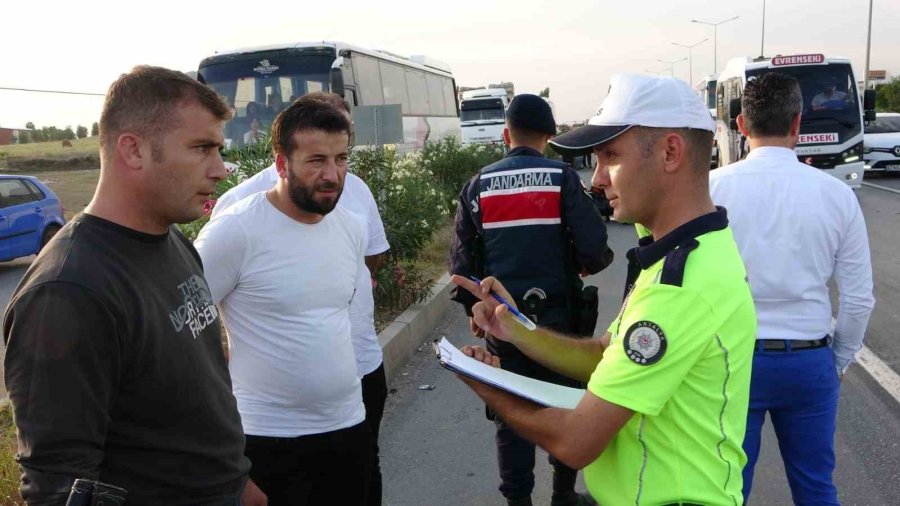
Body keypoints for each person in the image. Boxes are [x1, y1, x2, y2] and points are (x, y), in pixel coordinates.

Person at [452, 73, 757, 506]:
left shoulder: (681, 285)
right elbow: (603, 356)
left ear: (670, 152)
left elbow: (577, 442)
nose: (597, 179)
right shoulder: (680, 254)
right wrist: (514, 328)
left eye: (611, 156)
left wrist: (488, 383)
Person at [2, 65, 260, 505]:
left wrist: (238, 483)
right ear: (133, 150)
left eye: (218, 149)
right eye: (202, 148)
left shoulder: (174, 240)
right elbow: (59, 486)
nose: (220, 169)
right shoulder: (67, 291)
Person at [213, 91, 391, 506]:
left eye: (341, 159)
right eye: (316, 161)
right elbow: (184, 334)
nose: (333, 174)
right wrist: (225, 459)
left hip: (348, 426)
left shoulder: (349, 226)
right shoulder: (234, 231)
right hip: (266, 439)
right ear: (281, 163)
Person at [709, 73, 875, 505]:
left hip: (732, 360)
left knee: (726, 487)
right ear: (798, 123)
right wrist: (835, 360)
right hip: (808, 360)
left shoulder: (710, 190)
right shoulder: (837, 196)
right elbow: (858, 298)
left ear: (742, 125)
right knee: (816, 486)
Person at [449, 94, 612, 506]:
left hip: (504, 325)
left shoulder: (478, 186)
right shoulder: (562, 177)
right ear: (550, 136)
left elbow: (461, 268)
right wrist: (581, 268)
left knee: (511, 413)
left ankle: (518, 501)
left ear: (506, 134)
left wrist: (478, 311)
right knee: (565, 405)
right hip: (561, 325)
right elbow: (596, 247)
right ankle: (562, 495)